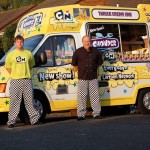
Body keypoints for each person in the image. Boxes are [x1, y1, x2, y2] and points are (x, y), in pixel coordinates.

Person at [5, 35, 40, 128]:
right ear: (15, 43)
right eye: (17, 42)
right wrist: (15, 74)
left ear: (23, 43)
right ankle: (11, 121)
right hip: (15, 81)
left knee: (29, 101)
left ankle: (34, 119)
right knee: (14, 102)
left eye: (21, 42)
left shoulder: (28, 54)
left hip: (27, 80)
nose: (19, 43)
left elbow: (31, 65)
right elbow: (8, 67)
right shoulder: (11, 55)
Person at [71, 35, 103, 120]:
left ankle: (96, 113)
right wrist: (81, 70)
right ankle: (81, 114)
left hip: (93, 77)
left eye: (88, 41)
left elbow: (100, 63)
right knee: (81, 96)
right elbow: (74, 64)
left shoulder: (96, 51)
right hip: (82, 78)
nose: (87, 43)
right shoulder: (78, 52)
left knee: (95, 96)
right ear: (82, 42)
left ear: (90, 42)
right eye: (85, 41)